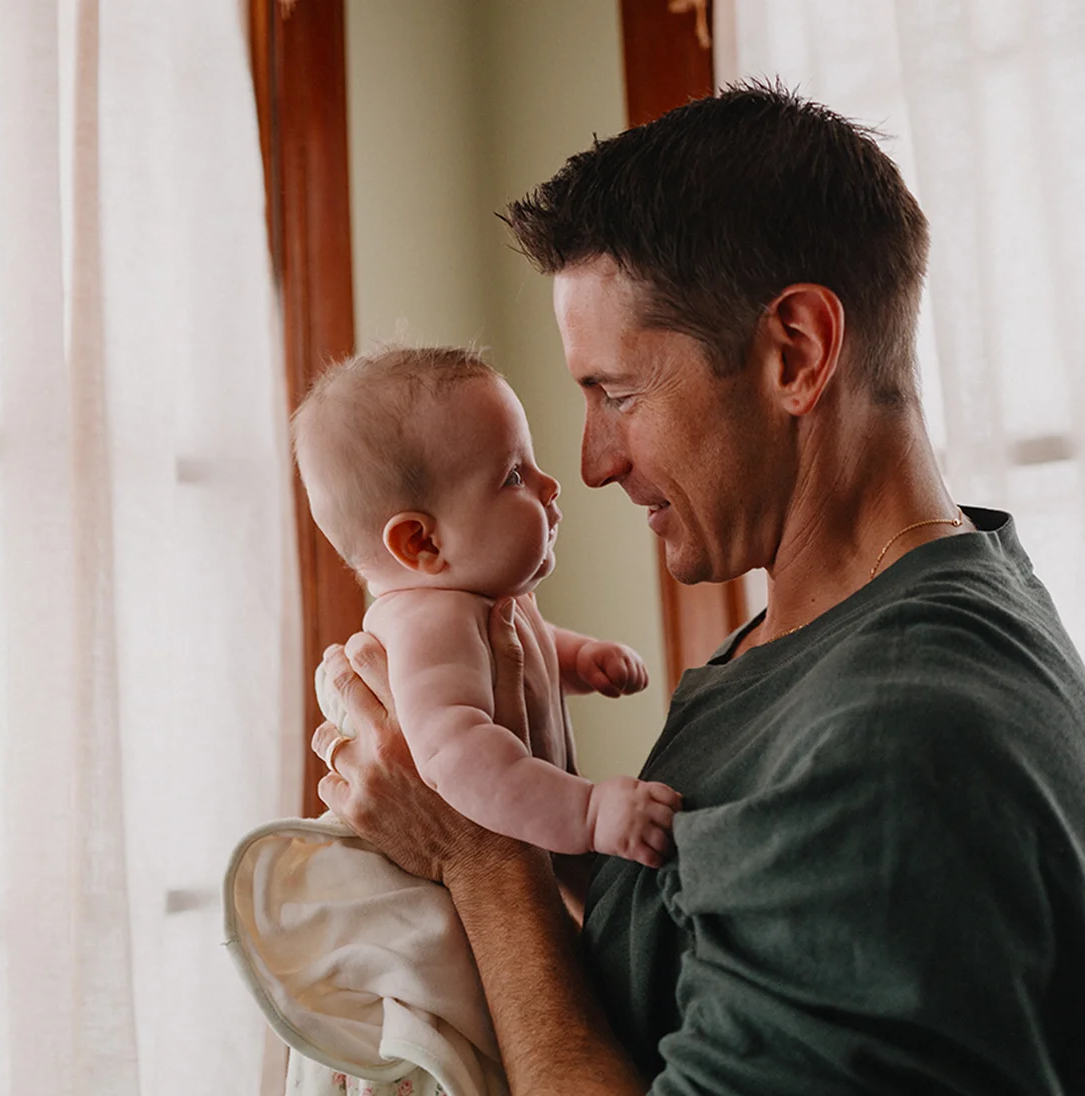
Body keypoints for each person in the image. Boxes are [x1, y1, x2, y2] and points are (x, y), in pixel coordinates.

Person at [307, 82, 1085, 1094]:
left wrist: (485, 862)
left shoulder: (888, 745)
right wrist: (552, 800)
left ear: (793, 354)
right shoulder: (826, 629)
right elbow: (704, 940)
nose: (589, 465)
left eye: (616, 394)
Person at [291, 345, 680, 868]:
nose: (551, 485)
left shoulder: (475, 604)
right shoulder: (428, 627)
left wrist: (576, 658)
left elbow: (511, 658)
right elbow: (457, 758)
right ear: (421, 544)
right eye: (514, 476)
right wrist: (589, 812)